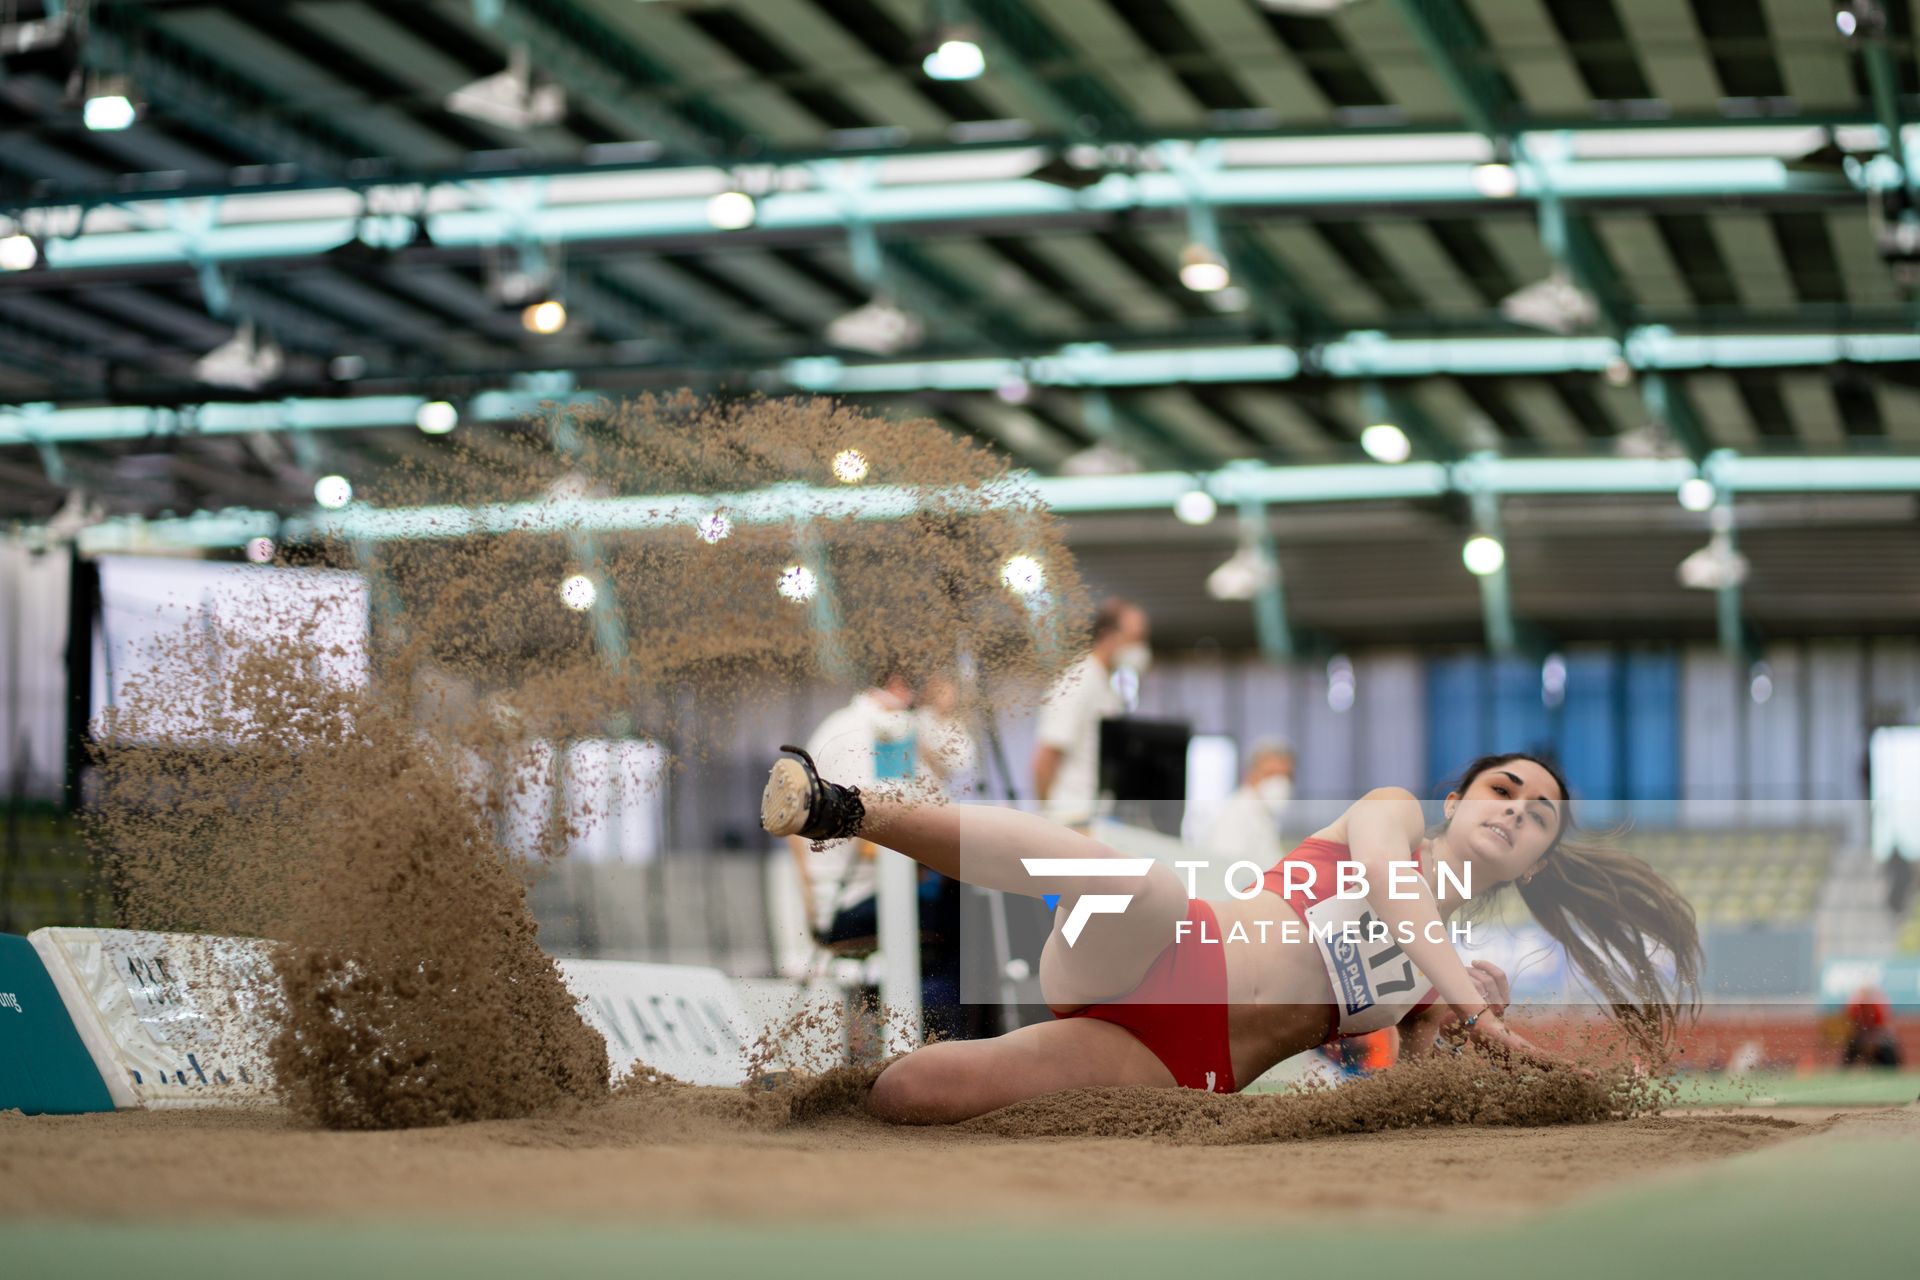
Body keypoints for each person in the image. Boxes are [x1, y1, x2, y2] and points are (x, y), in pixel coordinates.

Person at [761, 749, 1701, 1122]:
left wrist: (1453, 1035)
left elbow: (1402, 1103)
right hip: (1151, 947)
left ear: (1537, 861)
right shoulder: (1389, 818)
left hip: (1183, 1066)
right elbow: (1387, 884)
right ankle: (845, 805)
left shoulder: (1451, 975)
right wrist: (1461, 990)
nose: (1517, 813)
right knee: (1142, 883)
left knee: (910, 1092)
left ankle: (833, 1104)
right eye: (1505, 790)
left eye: (1540, 816)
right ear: (1457, 800)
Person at [1032, 598, 1150, 827]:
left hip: (1094, 819)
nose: (1141, 649)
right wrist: (1049, 820)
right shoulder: (1078, 682)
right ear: (1109, 636)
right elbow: (1045, 759)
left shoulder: (1108, 687)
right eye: (1135, 639)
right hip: (1071, 819)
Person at [1198, 738, 1296, 868]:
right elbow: (1225, 868)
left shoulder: (1263, 815)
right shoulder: (1236, 814)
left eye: (1287, 776)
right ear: (1250, 774)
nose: (1279, 783)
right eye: (1270, 774)